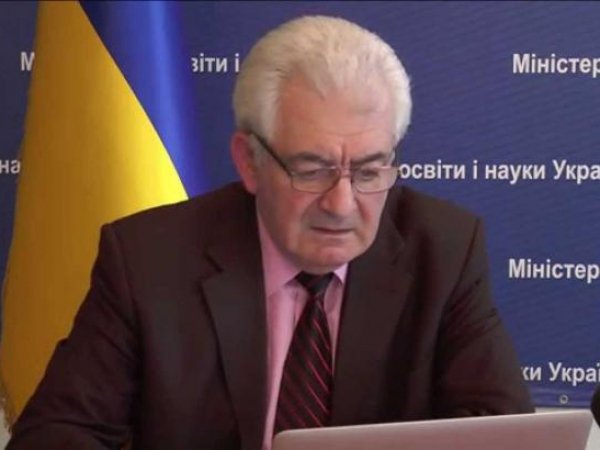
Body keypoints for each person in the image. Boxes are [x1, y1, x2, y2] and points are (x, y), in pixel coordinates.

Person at [7, 15, 533, 450]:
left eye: (369, 171)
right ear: (250, 161)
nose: (342, 204)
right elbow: (56, 434)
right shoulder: (149, 260)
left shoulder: (444, 251)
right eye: (311, 169)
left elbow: (502, 431)